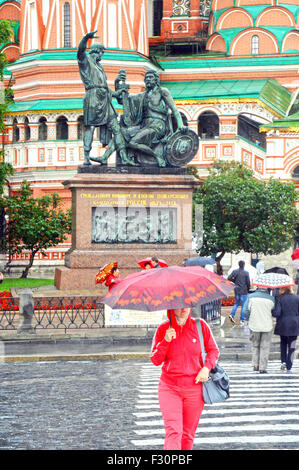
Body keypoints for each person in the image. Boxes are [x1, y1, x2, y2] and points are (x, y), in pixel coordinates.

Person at [151, 308, 219, 450]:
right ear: (171, 307)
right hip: (169, 388)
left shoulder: (200, 326)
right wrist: (165, 341)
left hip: (194, 389)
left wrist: (206, 368)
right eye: (179, 305)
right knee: (174, 431)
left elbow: (213, 350)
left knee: (187, 434)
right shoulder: (164, 328)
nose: (183, 309)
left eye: (186, 305)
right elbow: (156, 360)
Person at [77, 30, 135, 166]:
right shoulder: (85, 62)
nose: (102, 56)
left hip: (104, 100)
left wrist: (117, 91)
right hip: (92, 99)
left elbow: (104, 87)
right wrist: (86, 38)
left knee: (116, 127)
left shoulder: (99, 67)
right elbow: (80, 52)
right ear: (96, 51)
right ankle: (86, 156)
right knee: (90, 127)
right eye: (102, 52)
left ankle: (123, 157)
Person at [244, 287, 275, 373]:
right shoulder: (271, 299)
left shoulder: (251, 297)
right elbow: (274, 311)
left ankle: (255, 365)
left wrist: (248, 319)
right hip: (267, 325)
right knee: (264, 347)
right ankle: (262, 367)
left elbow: (245, 311)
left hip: (254, 325)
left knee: (255, 345)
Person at [272, 286, 299, 372]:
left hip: (283, 324)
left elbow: (277, 313)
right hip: (294, 324)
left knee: (283, 344)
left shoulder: (279, 298)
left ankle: (283, 361)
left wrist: (272, 311)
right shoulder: (297, 298)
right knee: (292, 346)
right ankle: (289, 364)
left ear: (282, 289)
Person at [228, 260, 251, 325]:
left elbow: (229, 278)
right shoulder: (246, 273)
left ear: (238, 264)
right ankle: (242, 320)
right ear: (244, 265)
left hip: (237, 290)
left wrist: (234, 280)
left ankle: (232, 314)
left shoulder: (235, 271)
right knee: (244, 305)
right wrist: (248, 289)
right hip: (244, 291)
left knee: (237, 303)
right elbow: (248, 282)